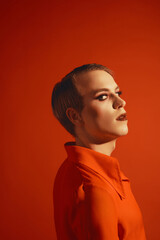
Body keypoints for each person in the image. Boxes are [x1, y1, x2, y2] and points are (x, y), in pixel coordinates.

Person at [51, 63, 146, 240]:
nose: (120, 102)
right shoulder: (93, 189)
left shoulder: (73, 169)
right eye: (102, 97)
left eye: (117, 93)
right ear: (75, 116)